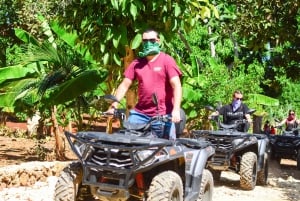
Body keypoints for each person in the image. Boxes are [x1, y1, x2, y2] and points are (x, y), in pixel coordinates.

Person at [107, 29, 182, 140]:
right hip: (140, 114)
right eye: (145, 40)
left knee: (163, 149)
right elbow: (124, 85)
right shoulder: (137, 63)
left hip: (163, 115)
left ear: (158, 41)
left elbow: (176, 86)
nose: (148, 43)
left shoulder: (167, 60)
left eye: (151, 40)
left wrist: (176, 110)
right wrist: (114, 106)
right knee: (128, 142)